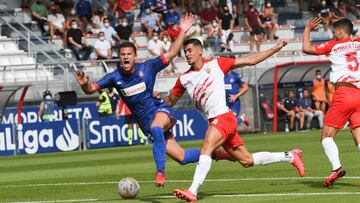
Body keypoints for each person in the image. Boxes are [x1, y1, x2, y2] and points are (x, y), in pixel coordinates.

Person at [74, 14, 234, 187]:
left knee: (156, 128)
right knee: (182, 157)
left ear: (135, 56)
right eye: (122, 55)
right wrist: (84, 85)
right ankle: (216, 154)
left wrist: (183, 30)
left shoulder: (148, 67)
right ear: (119, 57)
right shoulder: (114, 77)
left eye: (129, 54)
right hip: (146, 125)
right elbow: (90, 89)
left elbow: (172, 53)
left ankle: (160, 173)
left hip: (161, 111)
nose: (126, 57)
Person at [164, 38, 304, 202]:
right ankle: (290, 156)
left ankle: (193, 191)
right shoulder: (184, 79)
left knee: (206, 148)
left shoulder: (216, 64)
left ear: (200, 51)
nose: (187, 54)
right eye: (185, 51)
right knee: (247, 161)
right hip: (217, 121)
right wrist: (154, 102)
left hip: (223, 117)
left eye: (189, 50)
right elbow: (170, 101)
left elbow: (250, 60)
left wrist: (275, 48)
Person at [303, 17, 360, 187]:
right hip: (359, 94)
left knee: (326, 136)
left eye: (334, 32)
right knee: (358, 134)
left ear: (341, 31)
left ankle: (336, 168)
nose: (333, 35)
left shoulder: (334, 45)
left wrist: (307, 29)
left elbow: (306, 48)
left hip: (344, 92)